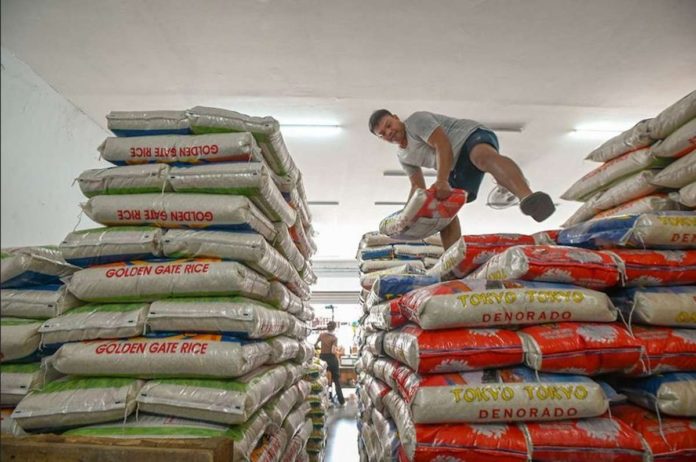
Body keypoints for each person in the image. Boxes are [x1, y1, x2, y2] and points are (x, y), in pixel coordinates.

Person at [369, 109, 556, 249]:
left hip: (469, 137)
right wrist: (407, 217)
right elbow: (417, 187)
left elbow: (442, 145)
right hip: (455, 167)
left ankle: (528, 197)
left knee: (481, 157)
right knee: (441, 208)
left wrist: (442, 180)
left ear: (395, 117)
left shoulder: (416, 121)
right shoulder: (403, 156)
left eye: (388, 125)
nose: (389, 132)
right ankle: (452, 257)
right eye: (382, 134)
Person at [314, 321, 345, 406]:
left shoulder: (321, 335)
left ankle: (326, 399)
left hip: (323, 359)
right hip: (332, 359)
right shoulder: (334, 338)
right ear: (334, 328)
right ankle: (341, 400)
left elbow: (315, 345)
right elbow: (333, 351)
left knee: (323, 380)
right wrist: (338, 351)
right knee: (336, 380)